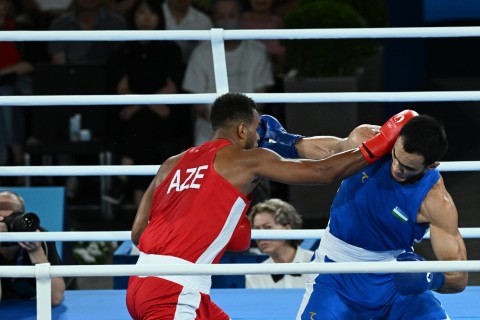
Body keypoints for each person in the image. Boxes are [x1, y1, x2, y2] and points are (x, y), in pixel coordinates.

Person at [125, 92, 415, 319]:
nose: (257, 138)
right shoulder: (246, 159)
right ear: (241, 130)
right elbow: (322, 172)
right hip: (173, 291)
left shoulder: (170, 164)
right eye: (254, 130)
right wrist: (376, 146)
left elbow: (138, 234)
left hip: (142, 285)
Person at [287, 115, 468, 319]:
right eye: (395, 157)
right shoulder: (370, 140)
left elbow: (459, 276)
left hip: (394, 279)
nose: (396, 168)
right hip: (335, 271)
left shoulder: (436, 202)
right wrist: (288, 142)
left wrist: (431, 279)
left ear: (431, 166)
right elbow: (332, 149)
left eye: (408, 168)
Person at [102, 0, 191, 206]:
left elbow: (172, 88)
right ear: (133, 16)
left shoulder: (170, 49)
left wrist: (140, 103)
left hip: (165, 117)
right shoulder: (122, 51)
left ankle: (123, 179)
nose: (147, 18)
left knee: (142, 123)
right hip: (134, 118)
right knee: (143, 126)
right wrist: (150, 104)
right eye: (141, 12)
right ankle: (145, 200)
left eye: (152, 13)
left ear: (160, 17)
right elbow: (122, 91)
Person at [182, 0, 274, 146]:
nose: (226, 20)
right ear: (213, 19)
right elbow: (196, 102)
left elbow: (261, 97)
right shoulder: (200, 53)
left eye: (231, 15)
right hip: (210, 127)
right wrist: (223, 126)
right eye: (221, 16)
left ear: (241, 17)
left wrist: (241, 125)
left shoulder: (258, 51)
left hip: (251, 126)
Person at [0, 191, 65, 305]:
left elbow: (55, 298)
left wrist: (37, 252)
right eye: (1, 220)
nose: (7, 226)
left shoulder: (39, 236)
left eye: (12, 219)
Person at [246, 198, 313, 288]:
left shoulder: (317, 263)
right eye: (257, 229)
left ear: (287, 229)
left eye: (267, 227)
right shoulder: (254, 275)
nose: (261, 235)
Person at [0, 0, 33, 176]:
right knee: (5, 94)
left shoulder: (20, 28)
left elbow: (29, 64)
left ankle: (5, 162)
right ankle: (17, 158)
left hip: (21, 83)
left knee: (7, 93)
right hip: (6, 85)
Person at [48, 0, 126, 65]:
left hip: (110, 79)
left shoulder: (116, 23)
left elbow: (122, 61)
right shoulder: (59, 25)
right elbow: (59, 66)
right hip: (72, 79)